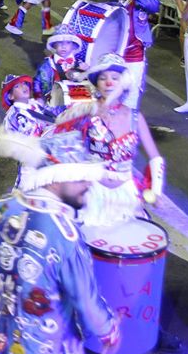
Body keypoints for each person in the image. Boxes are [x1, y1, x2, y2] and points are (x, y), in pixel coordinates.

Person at [0, 130, 119, 354]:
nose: (88, 183)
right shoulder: (64, 233)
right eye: (80, 176)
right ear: (55, 178)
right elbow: (86, 303)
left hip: (3, 346)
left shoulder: (0, 209)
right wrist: (109, 329)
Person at [55, 53, 165, 227]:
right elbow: (58, 130)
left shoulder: (135, 117)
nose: (109, 83)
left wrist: (156, 191)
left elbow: (155, 158)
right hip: (91, 192)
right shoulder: (86, 110)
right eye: (103, 78)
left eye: (115, 78)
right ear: (97, 84)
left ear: (124, 83)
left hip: (126, 195)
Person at [110, 0, 160, 109]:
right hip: (110, 48)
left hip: (134, 51)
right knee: (107, 93)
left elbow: (154, 6)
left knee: (131, 95)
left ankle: (128, 129)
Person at [33, 25, 88, 102]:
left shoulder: (80, 64)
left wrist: (86, 73)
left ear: (73, 46)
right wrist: (39, 98)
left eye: (68, 43)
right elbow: (37, 83)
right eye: (60, 43)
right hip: (53, 103)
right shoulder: (48, 64)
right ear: (54, 45)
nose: (63, 46)